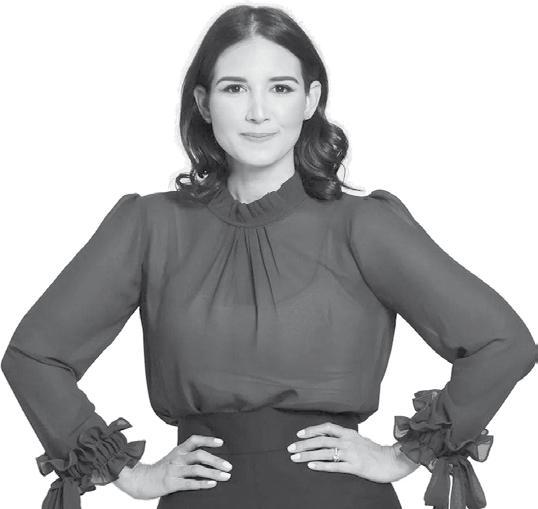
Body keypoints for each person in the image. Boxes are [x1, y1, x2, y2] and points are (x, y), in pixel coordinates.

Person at [2, 4, 536, 509]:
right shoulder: (150, 225)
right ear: (203, 102)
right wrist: (130, 473)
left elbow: (501, 343)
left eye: (280, 88)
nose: (258, 112)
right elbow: (34, 356)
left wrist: (401, 456)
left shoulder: (362, 224)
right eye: (235, 88)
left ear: (310, 99)